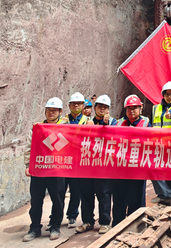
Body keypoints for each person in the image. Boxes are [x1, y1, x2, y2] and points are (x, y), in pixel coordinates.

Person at [22, 97, 67, 242]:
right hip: (39, 169)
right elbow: (29, 147)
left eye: (54, 110)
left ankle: (55, 226)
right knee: (36, 200)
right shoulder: (37, 128)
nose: (51, 113)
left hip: (57, 170)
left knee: (57, 200)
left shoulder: (66, 128)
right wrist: (28, 165)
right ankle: (34, 227)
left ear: (60, 112)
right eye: (49, 110)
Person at [77, 95, 117, 235]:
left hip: (103, 165)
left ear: (108, 109)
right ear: (94, 108)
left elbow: (116, 138)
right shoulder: (87, 122)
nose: (102, 109)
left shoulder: (113, 122)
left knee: (104, 194)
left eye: (105, 107)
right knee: (86, 194)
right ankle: (87, 221)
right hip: (88, 164)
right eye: (100, 106)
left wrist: (106, 125)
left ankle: (104, 222)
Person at [111, 95, 151, 227]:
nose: (131, 111)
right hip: (120, 170)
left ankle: (136, 226)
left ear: (140, 108)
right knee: (119, 200)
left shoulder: (146, 124)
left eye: (134, 108)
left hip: (137, 170)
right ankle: (117, 227)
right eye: (129, 108)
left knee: (136, 200)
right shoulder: (118, 123)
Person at [63, 92, 93, 229]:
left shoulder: (87, 121)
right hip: (64, 160)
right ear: (69, 105)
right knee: (59, 192)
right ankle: (55, 218)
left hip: (78, 162)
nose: (76, 106)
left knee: (76, 192)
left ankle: (72, 215)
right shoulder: (63, 121)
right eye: (73, 103)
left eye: (79, 104)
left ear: (83, 106)